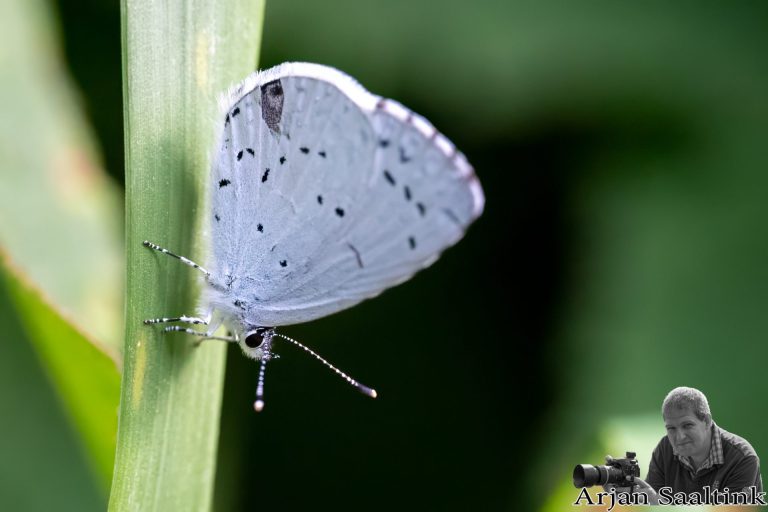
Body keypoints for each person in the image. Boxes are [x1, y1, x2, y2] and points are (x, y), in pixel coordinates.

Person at [618, 386, 762, 504]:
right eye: (671, 428)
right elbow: (651, 502)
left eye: (687, 425)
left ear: (707, 420)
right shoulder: (665, 448)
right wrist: (623, 495)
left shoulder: (742, 458)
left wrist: (661, 506)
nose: (679, 436)